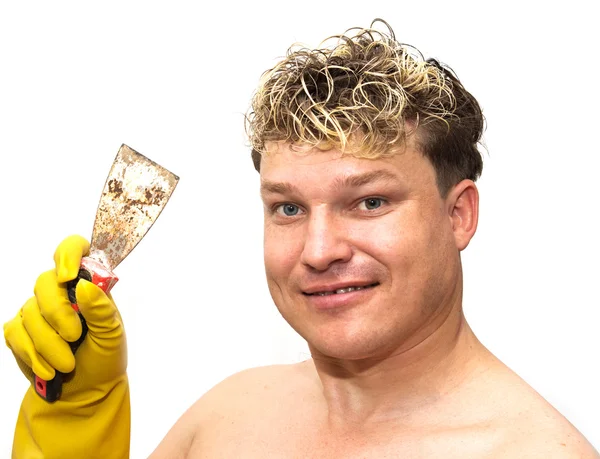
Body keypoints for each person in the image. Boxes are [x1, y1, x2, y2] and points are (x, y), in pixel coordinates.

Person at [4, 19, 598, 458]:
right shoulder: (225, 422)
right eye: (287, 207)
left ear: (459, 215)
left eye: (369, 202)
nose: (319, 251)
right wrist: (76, 420)